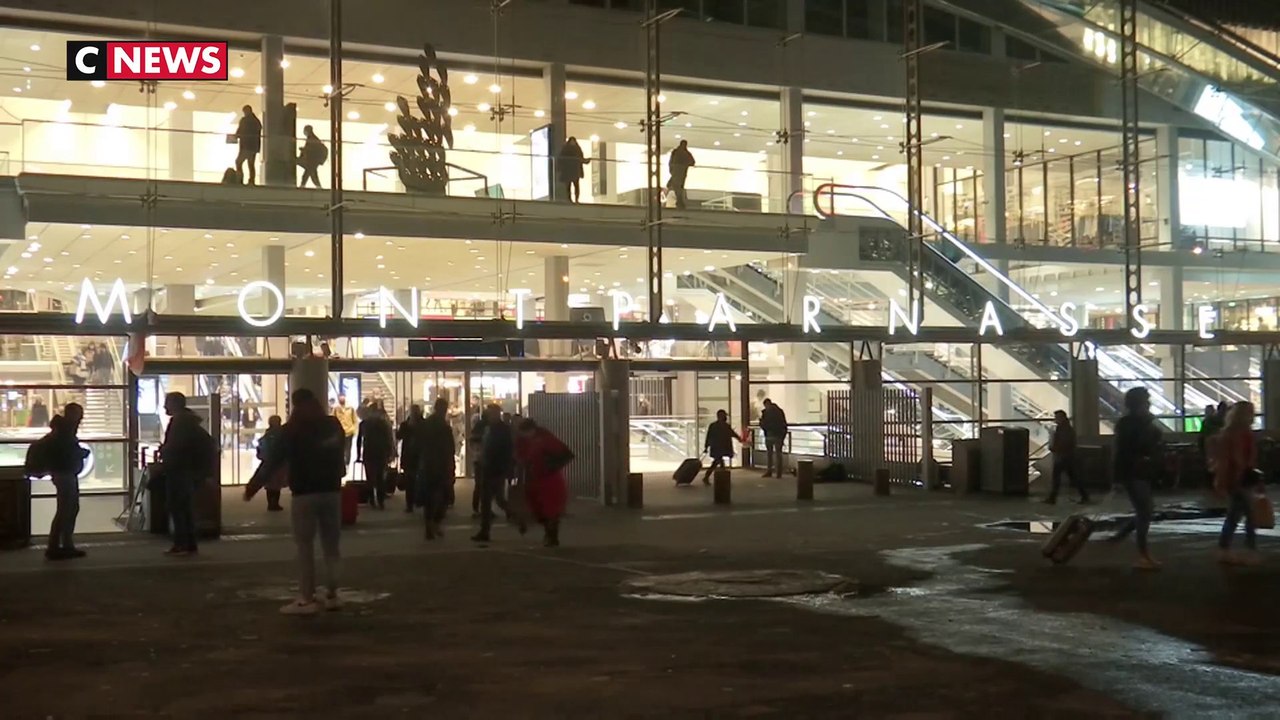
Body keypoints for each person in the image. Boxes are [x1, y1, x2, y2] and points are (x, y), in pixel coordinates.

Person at [246, 388, 345, 615]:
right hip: (331, 491)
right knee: (332, 545)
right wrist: (338, 472)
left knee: (305, 546)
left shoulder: (292, 430)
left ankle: (307, 597)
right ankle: (332, 593)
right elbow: (341, 452)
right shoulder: (332, 425)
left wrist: (253, 487)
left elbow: (273, 460)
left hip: (305, 494)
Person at [28, 404, 88, 560]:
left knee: (67, 509)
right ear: (73, 415)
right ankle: (60, 545)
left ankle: (59, 545)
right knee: (67, 509)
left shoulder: (61, 429)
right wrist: (81, 453)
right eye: (79, 415)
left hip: (62, 473)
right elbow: (65, 453)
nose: (81, 418)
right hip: (65, 473)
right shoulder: (65, 431)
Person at [1112, 387, 1163, 570]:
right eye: (1146, 400)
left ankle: (1121, 537)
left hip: (1141, 472)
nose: (1149, 403)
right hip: (1133, 472)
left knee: (1145, 511)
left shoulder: (1142, 422)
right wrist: (1118, 478)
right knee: (1145, 511)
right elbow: (1121, 452)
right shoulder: (1130, 424)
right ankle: (1142, 554)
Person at [158, 392, 209, 557]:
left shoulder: (179, 423)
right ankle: (189, 542)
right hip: (187, 470)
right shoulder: (188, 422)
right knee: (184, 508)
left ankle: (181, 542)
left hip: (179, 471)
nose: (165, 406)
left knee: (177, 507)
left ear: (175, 404)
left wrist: (165, 452)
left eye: (167, 403)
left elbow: (176, 447)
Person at [1214, 401, 1262, 565]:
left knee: (1235, 516)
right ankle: (1250, 549)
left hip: (1237, 478)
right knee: (1249, 515)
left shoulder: (1231, 432)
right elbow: (1237, 458)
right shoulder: (1241, 433)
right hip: (1240, 478)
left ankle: (1224, 548)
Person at [515, 419, 571, 547]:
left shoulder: (544, 440)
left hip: (549, 479)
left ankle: (552, 536)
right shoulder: (528, 441)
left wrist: (547, 467)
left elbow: (564, 454)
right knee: (539, 509)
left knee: (550, 509)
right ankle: (549, 533)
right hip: (536, 479)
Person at [473, 404, 514, 543]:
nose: (489, 416)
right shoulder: (488, 428)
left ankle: (517, 517)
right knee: (488, 500)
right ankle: (485, 530)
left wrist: (506, 468)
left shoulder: (503, 430)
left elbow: (507, 451)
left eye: (491, 414)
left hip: (496, 469)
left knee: (497, 499)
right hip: (488, 467)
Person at [417, 398, 456, 540]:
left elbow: (420, 443)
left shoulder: (427, 424)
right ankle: (435, 523)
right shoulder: (444, 427)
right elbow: (449, 448)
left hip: (428, 464)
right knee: (444, 497)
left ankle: (429, 526)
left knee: (430, 498)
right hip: (440, 465)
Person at [1044, 410, 1088, 504]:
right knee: (1073, 477)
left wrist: (1055, 448)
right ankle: (1084, 495)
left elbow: (1065, 443)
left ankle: (1053, 498)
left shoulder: (1063, 429)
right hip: (1067, 456)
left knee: (1058, 477)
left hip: (1063, 456)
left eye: (1057, 418)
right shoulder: (1066, 428)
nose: (1056, 420)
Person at [356, 400, 395, 510]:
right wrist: (390, 451)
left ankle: (372, 499)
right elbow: (388, 438)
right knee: (380, 477)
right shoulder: (382, 423)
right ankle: (381, 500)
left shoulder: (364, 423)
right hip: (381, 452)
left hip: (368, 452)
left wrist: (359, 454)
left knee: (370, 477)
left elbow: (359, 440)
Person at [397, 404, 424, 513]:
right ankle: (416, 502)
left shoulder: (406, 425)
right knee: (415, 480)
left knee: (410, 481)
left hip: (410, 456)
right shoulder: (423, 424)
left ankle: (411, 504)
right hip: (418, 456)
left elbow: (398, 436)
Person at [701, 409, 740, 485]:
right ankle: (716, 478)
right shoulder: (724, 426)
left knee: (717, 461)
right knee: (718, 461)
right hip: (720, 447)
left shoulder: (715, 426)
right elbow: (732, 433)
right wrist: (739, 438)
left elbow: (709, 436)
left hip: (717, 447)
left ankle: (711, 477)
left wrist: (706, 446)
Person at [256, 415, 285, 512]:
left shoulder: (268, 433)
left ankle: (272, 503)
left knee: (272, 484)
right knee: (275, 484)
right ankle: (274, 503)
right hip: (276, 461)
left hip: (270, 461)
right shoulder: (279, 433)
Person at [759, 398, 789, 478]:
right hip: (778, 435)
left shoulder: (765, 413)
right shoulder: (779, 411)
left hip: (769, 434)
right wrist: (783, 435)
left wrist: (764, 427)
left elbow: (762, 423)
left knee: (769, 454)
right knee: (778, 454)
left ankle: (769, 471)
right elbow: (783, 424)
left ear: (766, 404)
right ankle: (778, 473)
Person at [234, 105, 262, 186]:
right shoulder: (256, 121)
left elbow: (240, 131)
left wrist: (236, 136)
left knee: (239, 162)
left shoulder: (244, 121)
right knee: (251, 164)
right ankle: (251, 180)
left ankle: (240, 179)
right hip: (253, 147)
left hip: (245, 146)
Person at [556, 136, 589, 203]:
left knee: (575, 185)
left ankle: (576, 199)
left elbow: (580, 158)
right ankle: (570, 199)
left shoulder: (576, 149)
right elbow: (561, 159)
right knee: (569, 185)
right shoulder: (567, 149)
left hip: (574, 170)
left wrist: (585, 161)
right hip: (570, 170)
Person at [667, 139, 696, 210]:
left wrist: (671, 170)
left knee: (677, 187)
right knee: (679, 188)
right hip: (682, 173)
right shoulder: (686, 153)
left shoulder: (675, 152)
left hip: (676, 172)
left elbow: (670, 162)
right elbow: (692, 162)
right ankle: (680, 202)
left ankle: (679, 202)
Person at [297, 125, 328, 189]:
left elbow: (311, 149)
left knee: (310, 173)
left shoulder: (312, 139)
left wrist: (303, 150)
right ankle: (317, 186)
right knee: (311, 173)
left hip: (312, 160)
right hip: (313, 160)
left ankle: (304, 185)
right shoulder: (313, 138)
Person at [332, 395, 357, 473]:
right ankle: (341, 464)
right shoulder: (336, 408)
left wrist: (354, 429)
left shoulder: (351, 408)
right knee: (340, 449)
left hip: (349, 431)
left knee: (348, 449)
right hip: (339, 432)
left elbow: (355, 420)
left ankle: (347, 465)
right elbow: (333, 418)